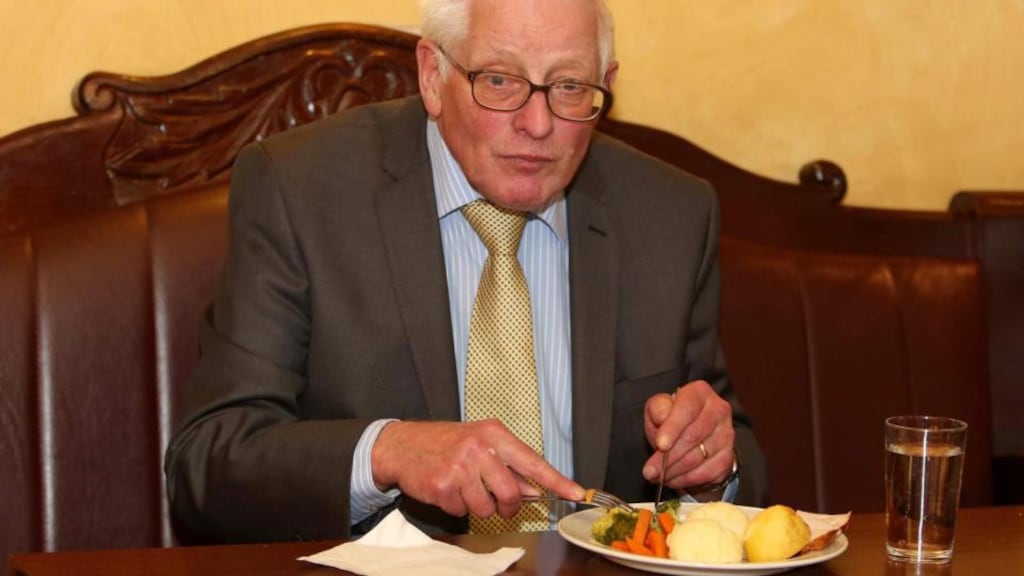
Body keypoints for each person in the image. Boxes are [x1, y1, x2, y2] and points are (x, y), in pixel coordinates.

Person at [165, 0, 767, 542]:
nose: (537, 124)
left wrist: (712, 467)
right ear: (433, 76)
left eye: (569, 86)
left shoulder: (671, 214)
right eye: (500, 81)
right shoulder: (301, 192)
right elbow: (210, 465)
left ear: (604, 87)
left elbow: (738, 456)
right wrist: (387, 450)